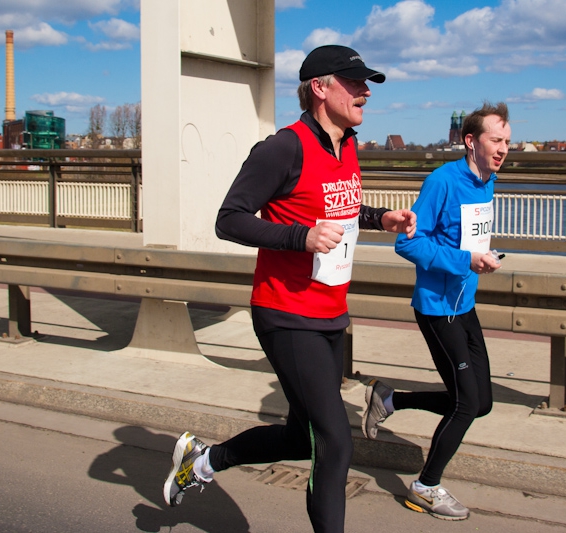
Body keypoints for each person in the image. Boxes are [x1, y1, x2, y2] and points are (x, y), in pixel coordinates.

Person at [162, 45, 416, 533]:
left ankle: (204, 461)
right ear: (320, 88)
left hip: (330, 313)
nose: (365, 91)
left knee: (303, 439)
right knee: (336, 441)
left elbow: (334, 209)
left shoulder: (347, 144)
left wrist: (380, 217)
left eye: (367, 83)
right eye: (354, 82)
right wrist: (301, 237)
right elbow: (228, 219)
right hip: (286, 312)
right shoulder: (285, 147)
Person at [362, 102, 510, 521]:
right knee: (465, 404)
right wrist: (467, 261)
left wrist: (480, 259)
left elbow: (468, 238)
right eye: (495, 140)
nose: (502, 149)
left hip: (464, 304)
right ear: (471, 141)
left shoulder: (488, 181)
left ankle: (391, 399)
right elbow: (407, 243)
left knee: (481, 403)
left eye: (507, 142)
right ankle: (425, 487)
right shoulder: (442, 182)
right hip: (436, 306)